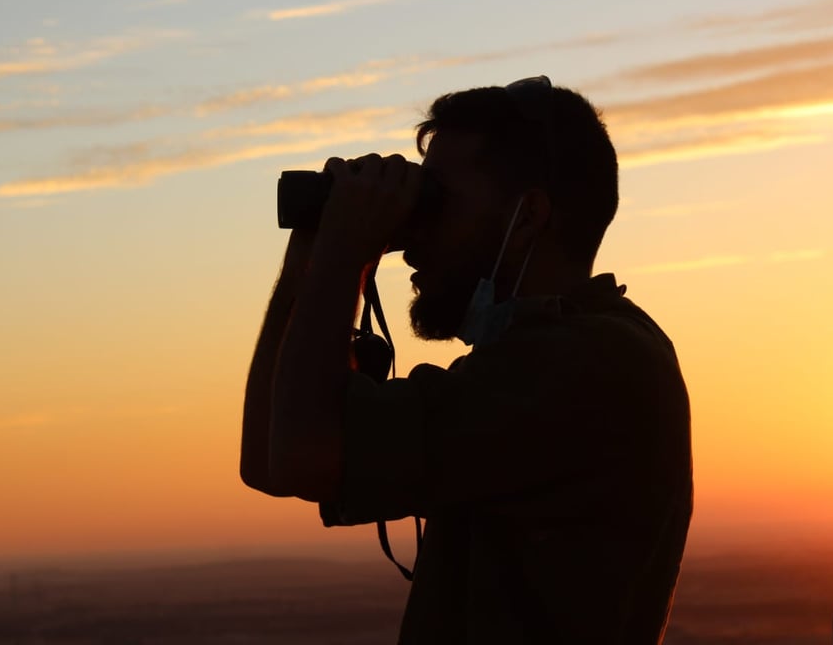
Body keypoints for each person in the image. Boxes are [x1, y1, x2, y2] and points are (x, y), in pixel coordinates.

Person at [240, 77, 693, 644]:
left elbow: (298, 456)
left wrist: (343, 253)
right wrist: (313, 252)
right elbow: (266, 459)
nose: (413, 239)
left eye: (438, 202)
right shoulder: (536, 358)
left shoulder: (591, 362)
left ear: (526, 217)